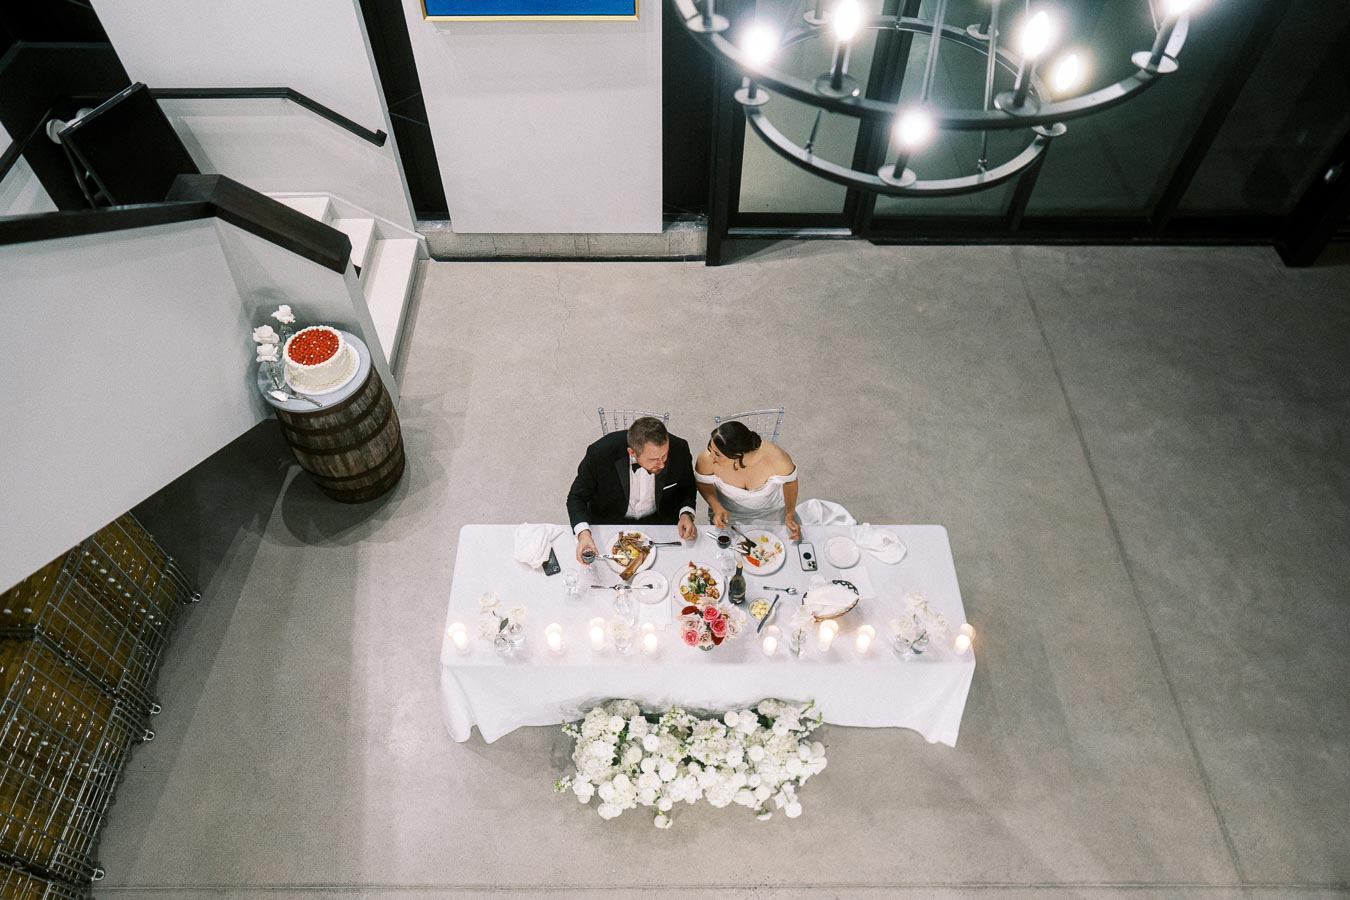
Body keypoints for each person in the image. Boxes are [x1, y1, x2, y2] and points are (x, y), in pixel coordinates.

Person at [567, 416, 698, 564]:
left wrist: (686, 513)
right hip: (610, 521)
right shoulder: (599, 453)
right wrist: (583, 535)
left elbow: (687, 487)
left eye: (664, 455)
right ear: (632, 452)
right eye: (653, 459)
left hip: (658, 523)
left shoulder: (680, 449)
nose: (662, 464)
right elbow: (576, 497)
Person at [694, 421, 801, 540]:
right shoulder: (706, 458)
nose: (711, 457)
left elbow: (790, 482)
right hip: (729, 514)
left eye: (718, 454)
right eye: (710, 448)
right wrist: (716, 506)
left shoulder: (777, 458)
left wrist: (790, 514)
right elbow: (702, 482)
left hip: (771, 513)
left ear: (737, 455)